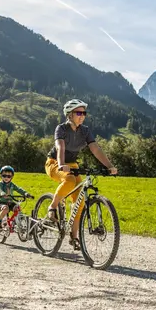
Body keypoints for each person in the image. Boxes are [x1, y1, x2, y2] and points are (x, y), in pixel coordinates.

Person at [45, 98, 117, 249]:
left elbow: (95, 149)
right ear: (70, 114)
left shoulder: (85, 131)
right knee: (69, 180)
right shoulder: (62, 128)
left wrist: (109, 166)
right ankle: (52, 207)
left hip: (72, 165)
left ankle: (74, 237)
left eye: (84, 112)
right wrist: (61, 164)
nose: (82, 115)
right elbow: (60, 148)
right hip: (54, 163)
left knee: (80, 201)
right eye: (79, 112)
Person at [0, 165, 31, 230]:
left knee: (17, 208)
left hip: (10, 202)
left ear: (11, 177)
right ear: (1, 176)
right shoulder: (0, 184)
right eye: (4, 176)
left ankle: (16, 221)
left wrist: (26, 193)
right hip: (1, 202)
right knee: (6, 209)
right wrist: (2, 193)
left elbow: (19, 189)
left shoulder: (12, 184)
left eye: (9, 176)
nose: (6, 177)